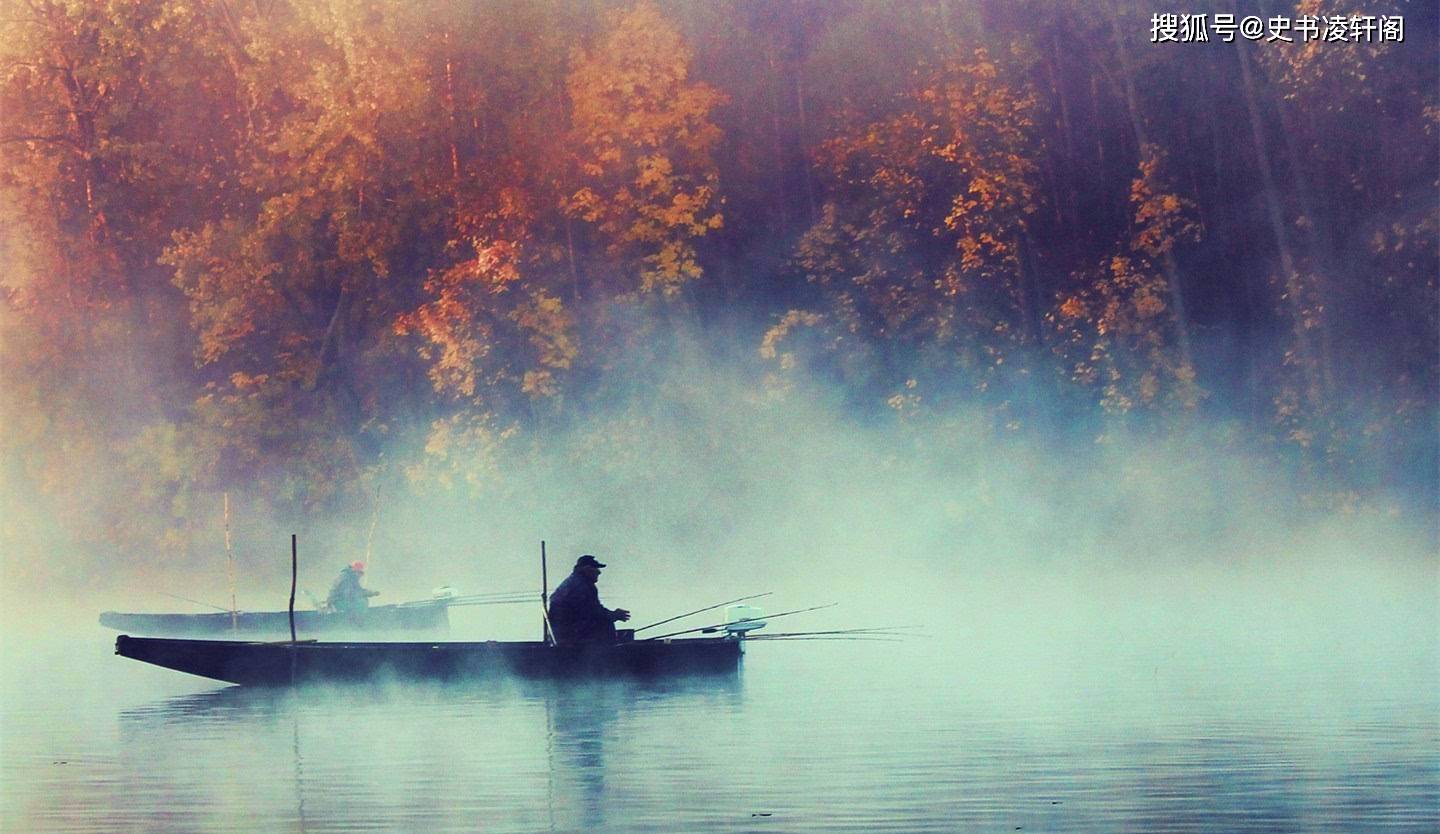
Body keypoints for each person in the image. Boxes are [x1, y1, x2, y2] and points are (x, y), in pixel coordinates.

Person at [547, 554, 631, 644]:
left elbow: (594, 609)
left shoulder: (575, 582)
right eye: (596, 568)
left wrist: (611, 614)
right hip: (572, 636)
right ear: (587, 569)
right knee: (606, 625)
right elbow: (592, 613)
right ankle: (608, 653)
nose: (599, 572)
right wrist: (613, 615)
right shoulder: (581, 585)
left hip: (563, 634)